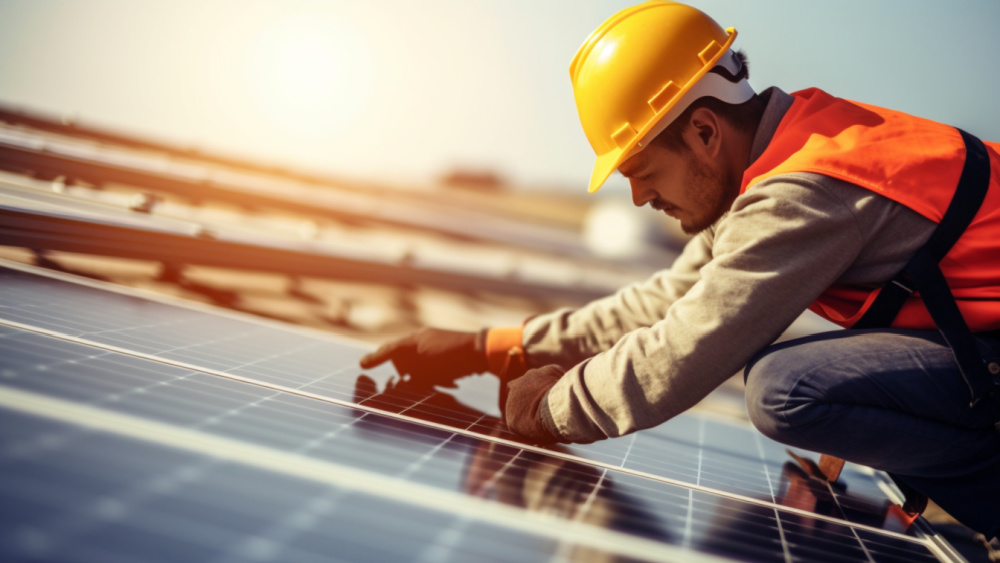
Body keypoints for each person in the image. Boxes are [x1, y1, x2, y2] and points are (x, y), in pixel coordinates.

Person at [360, 0, 1000, 538]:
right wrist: (496, 346)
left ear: (702, 131)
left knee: (785, 386)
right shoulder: (778, 160)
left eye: (642, 174)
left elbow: (687, 347)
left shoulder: (804, 193)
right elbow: (670, 299)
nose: (639, 198)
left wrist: (553, 408)